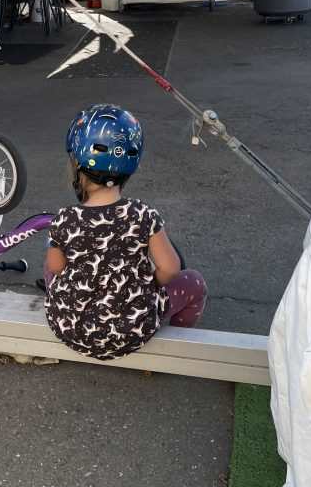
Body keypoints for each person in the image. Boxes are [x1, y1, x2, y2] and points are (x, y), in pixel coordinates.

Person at [44, 104, 207, 360]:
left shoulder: (64, 219)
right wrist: (147, 284)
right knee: (195, 282)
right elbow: (171, 268)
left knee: (52, 264)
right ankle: (175, 349)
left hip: (71, 328)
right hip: (133, 329)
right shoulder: (143, 214)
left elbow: (55, 267)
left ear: (76, 164)